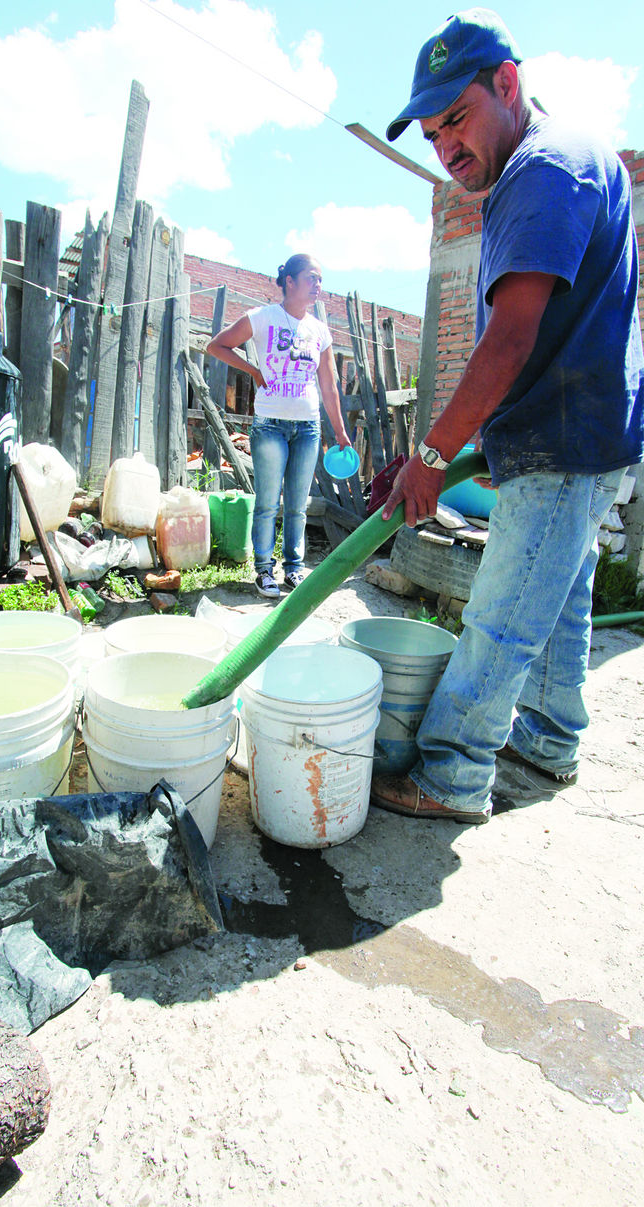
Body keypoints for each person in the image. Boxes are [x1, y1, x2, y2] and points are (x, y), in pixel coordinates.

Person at [370, 8, 644, 823]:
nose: (446, 146)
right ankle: (551, 736)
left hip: (568, 438)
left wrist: (432, 454)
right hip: (584, 432)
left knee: (503, 613)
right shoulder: (568, 158)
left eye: (456, 117)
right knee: (558, 595)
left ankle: (452, 773)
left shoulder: (542, 169)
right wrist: (497, 440)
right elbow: (555, 327)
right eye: (432, 135)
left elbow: (512, 334)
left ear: (508, 83)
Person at [206, 254, 351, 598]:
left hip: (308, 427)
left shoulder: (320, 331)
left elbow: (329, 386)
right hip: (270, 424)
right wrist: (254, 371)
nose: (318, 285)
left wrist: (341, 431)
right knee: (268, 503)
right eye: (312, 278)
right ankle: (263, 570)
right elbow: (216, 346)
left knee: (298, 505)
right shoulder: (262, 317)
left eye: (321, 280)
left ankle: (294, 570)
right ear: (290, 281)